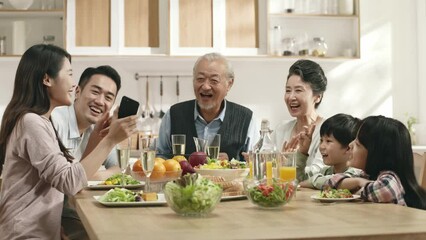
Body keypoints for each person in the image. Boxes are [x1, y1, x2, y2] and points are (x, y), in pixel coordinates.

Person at [0, 44, 138, 239]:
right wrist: (110, 140)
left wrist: (98, 136)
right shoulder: (31, 123)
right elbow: (70, 182)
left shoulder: (39, 122)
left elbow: (73, 172)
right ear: (47, 79)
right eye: (70, 74)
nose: (74, 84)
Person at [51, 65, 122, 240]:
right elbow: (63, 183)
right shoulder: (55, 121)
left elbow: (118, 169)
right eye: (95, 91)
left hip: (73, 208)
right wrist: (84, 173)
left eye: (108, 97)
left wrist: (87, 174)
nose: (100, 101)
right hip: (51, 214)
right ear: (78, 91)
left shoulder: (97, 129)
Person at [157, 52, 257, 160]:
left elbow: (255, 163)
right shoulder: (174, 115)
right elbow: (160, 158)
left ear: (229, 84)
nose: (205, 86)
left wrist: (232, 163)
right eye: (200, 79)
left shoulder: (246, 118)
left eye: (214, 80)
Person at [324, 116, 426, 210]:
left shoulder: (390, 177)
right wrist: (357, 182)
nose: (350, 145)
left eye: (358, 144)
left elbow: (386, 190)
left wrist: (359, 189)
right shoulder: (365, 176)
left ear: (377, 154)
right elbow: (330, 183)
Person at [272, 59, 327, 179]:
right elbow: (267, 170)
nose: (291, 97)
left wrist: (289, 164)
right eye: (287, 90)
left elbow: (318, 175)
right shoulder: (281, 129)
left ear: (317, 97)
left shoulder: (327, 132)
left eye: (298, 90)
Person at [298, 113, 362, 189]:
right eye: (321, 140)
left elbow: (339, 181)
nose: (321, 146)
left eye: (328, 141)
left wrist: (312, 181)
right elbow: (299, 180)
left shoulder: (357, 172)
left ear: (348, 147)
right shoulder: (327, 171)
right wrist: (302, 152)